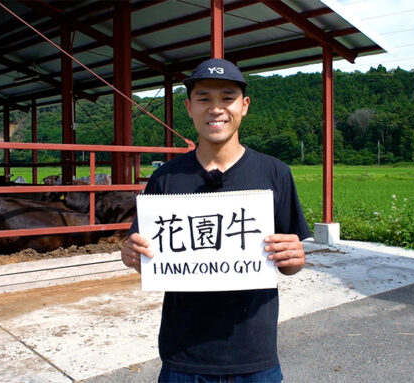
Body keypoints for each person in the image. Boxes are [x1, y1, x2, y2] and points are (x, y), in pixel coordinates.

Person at [121, 57, 311, 382]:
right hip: (183, 358)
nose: (216, 108)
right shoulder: (165, 179)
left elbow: (288, 264)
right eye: (204, 98)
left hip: (255, 357)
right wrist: (132, 256)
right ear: (189, 107)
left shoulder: (275, 173)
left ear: (244, 105)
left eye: (227, 97)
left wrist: (294, 258)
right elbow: (144, 258)